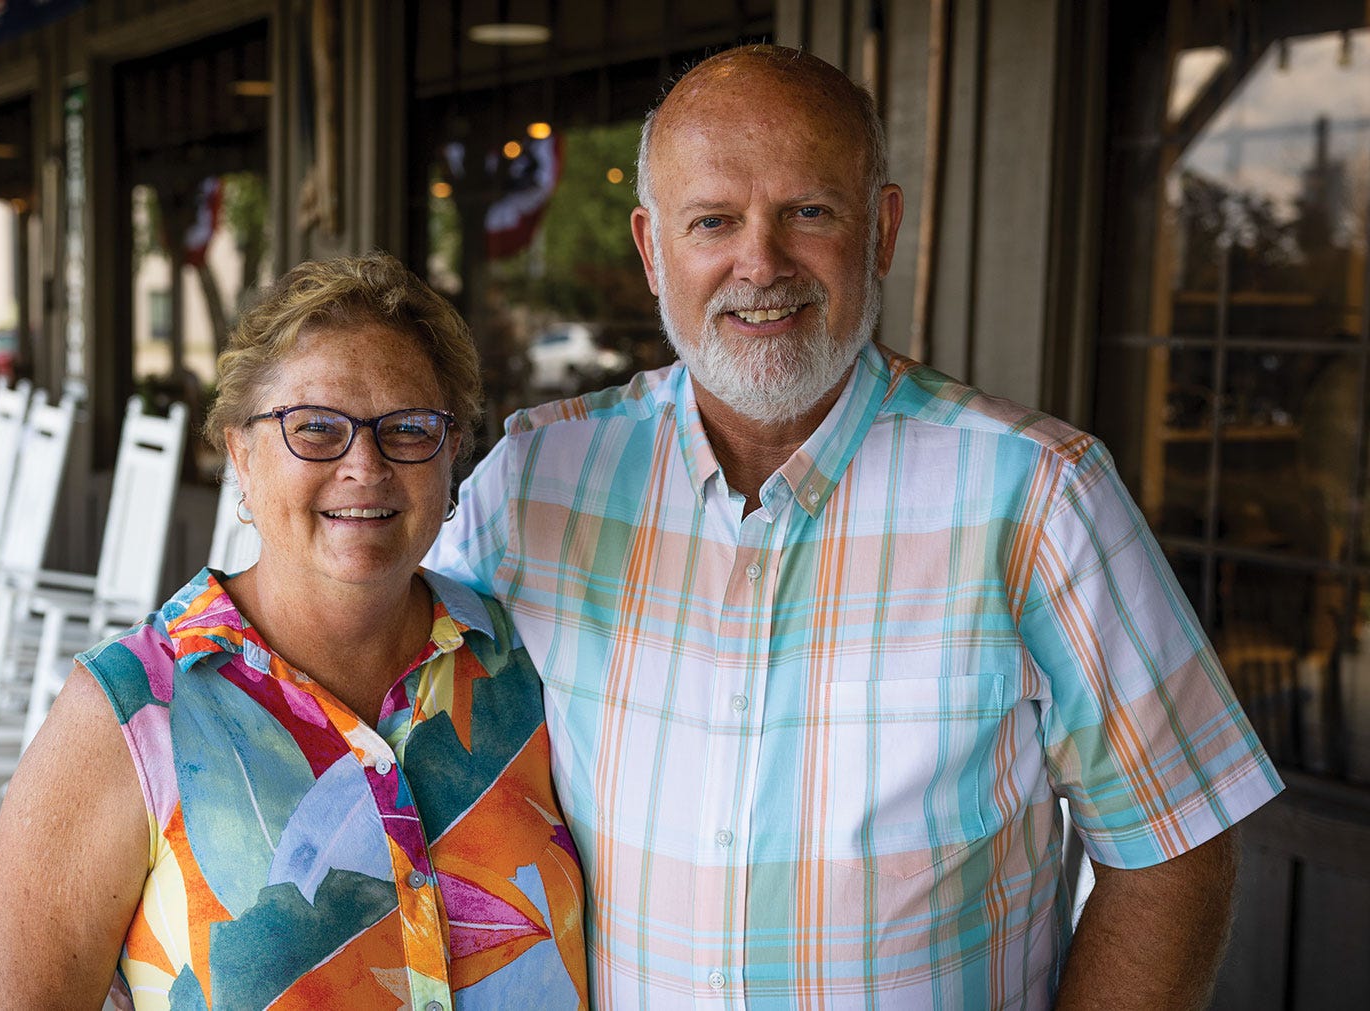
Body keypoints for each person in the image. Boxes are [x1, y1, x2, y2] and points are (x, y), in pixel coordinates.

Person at [428, 44, 1283, 1008]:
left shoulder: (1037, 495)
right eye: (713, 220)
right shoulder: (536, 482)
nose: (760, 261)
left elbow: (1178, 843)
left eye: (809, 212)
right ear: (651, 247)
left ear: (880, 230)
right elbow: (389, 732)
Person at [0, 254, 588, 1009]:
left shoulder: (522, 663)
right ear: (241, 451)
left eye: (407, 428)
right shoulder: (132, 712)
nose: (364, 465)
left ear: (452, 450)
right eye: (316, 428)